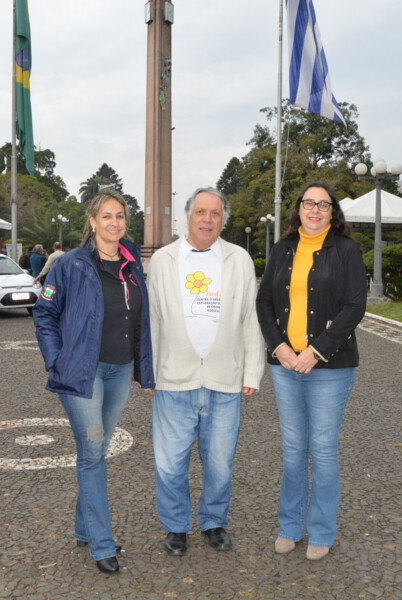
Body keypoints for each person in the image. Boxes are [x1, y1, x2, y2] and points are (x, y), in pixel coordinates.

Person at [32, 189, 154, 575]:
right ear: (92, 221)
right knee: (93, 451)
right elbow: (44, 313)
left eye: (119, 216)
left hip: (119, 369)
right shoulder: (69, 265)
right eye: (106, 216)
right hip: (83, 373)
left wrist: (144, 367)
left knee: (94, 453)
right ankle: (102, 544)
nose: (114, 223)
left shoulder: (133, 263)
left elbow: (140, 320)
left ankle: (84, 528)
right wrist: (56, 358)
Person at [147, 187, 264, 556]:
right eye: (201, 212)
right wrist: (148, 372)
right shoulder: (163, 261)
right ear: (187, 216)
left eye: (215, 213)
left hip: (224, 380)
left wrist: (252, 373)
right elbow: (151, 321)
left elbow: (250, 318)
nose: (207, 220)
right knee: (169, 465)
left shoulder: (239, 259)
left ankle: (213, 522)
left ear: (223, 219)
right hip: (173, 380)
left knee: (220, 465)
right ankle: (176, 526)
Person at [255, 181, 366, 561]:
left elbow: (354, 306)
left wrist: (315, 351)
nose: (315, 210)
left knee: (321, 448)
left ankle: (321, 530)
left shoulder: (347, 251)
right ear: (298, 209)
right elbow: (264, 301)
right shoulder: (282, 249)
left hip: (330, 367)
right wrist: (279, 346)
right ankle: (290, 525)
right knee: (292, 450)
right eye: (308, 203)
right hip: (285, 366)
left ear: (333, 212)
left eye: (323, 204)